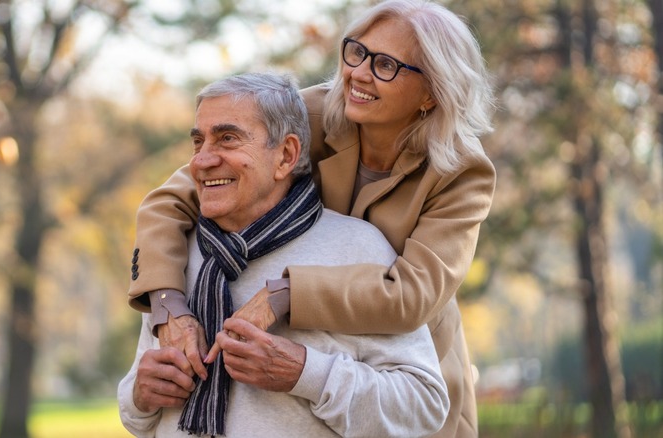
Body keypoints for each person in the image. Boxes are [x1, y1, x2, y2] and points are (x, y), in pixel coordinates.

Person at [126, 1, 495, 436]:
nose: (357, 73)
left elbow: (411, 297)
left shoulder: (462, 173)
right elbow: (168, 203)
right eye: (355, 52)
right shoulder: (308, 115)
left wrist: (285, 293)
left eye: (385, 65)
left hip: (408, 350)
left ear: (431, 91)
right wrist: (168, 308)